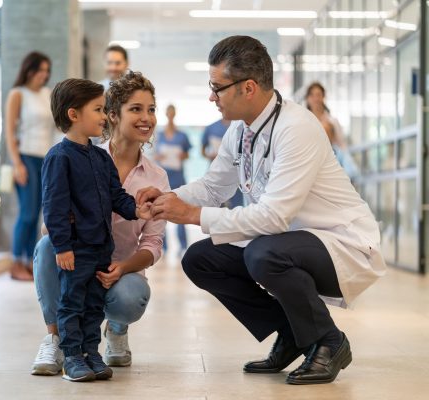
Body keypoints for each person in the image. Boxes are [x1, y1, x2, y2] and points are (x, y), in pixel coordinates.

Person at [137, 35, 386, 385]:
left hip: (342, 243)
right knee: (201, 259)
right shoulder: (240, 130)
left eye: (217, 87)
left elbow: (273, 217)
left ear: (249, 87)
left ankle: (329, 341)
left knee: (263, 253)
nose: (212, 96)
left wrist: (193, 216)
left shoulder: (296, 128)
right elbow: (213, 186)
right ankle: (294, 333)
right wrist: (165, 197)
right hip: (287, 241)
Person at [40, 77, 154, 382]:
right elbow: (54, 206)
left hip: (101, 249)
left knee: (92, 305)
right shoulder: (59, 157)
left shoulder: (100, 157)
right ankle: (72, 356)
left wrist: (135, 209)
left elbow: (116, 195)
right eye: (98, 110)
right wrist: (62, 246)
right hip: (75, 250)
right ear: (73, 114)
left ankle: (91, 352)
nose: (104, 117)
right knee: (72, 302)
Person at [4, 51, 57, 281]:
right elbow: (9, 131)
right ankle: (16, 262)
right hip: (25, 157)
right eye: (39, 70)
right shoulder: (18, 94)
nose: (43, 75)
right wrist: (17, 164)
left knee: (39, 215)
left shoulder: (48, 94)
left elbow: (56, 127)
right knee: (26, 214)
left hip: (46, 158)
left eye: (46, 71)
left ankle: (28, 263)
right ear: (29, 70)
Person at [154, 104, 191, 255]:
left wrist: (183, 155)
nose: (170, 115)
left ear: (175, 114)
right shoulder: (159, 135)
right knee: (161, 212)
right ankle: (163, 247)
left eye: (172, 112)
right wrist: (158, 157)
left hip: (178, 177)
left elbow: (188, 154)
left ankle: (182, 246)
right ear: (165, 113)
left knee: (180, 211)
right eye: (168, 112)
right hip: (163, 177)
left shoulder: (182, 135)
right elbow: (153, 154)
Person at [306, 82, 359, 179]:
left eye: (318, 95)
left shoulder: (332, 122)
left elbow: (341, 145)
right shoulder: (303, 121)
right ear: (307, 98)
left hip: (328, 165)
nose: (315, 99)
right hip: (309, 164)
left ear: (323, 97)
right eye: (312, 95)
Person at [201, 118, 243, 208]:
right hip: (216, 174)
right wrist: (210, 156)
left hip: (237, 176)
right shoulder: (211, 128)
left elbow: (242, 154)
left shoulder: (241, 127)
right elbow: (203, 151)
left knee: (236, 209)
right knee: (214, 209)